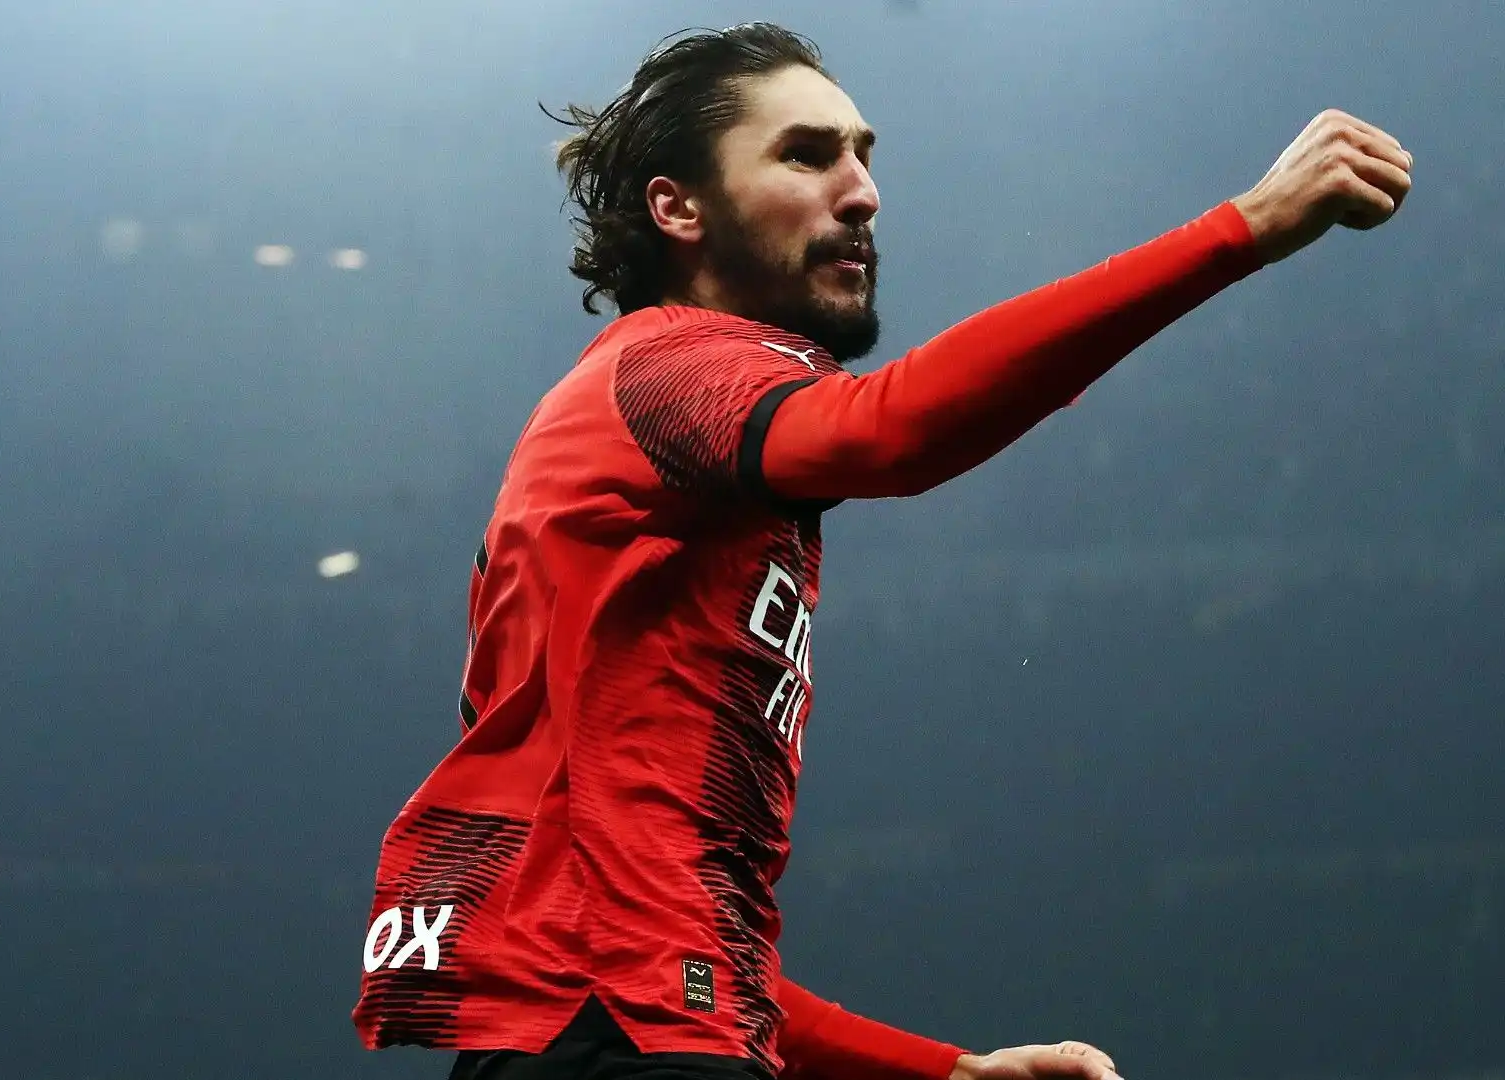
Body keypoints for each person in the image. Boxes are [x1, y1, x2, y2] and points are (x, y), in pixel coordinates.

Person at [351, 21, 1412, 1080]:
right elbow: (891, 430)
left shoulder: (647, 446)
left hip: (608, 1033)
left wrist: (951, 1073)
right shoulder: (668, 370)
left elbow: (681, 944)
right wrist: (1244, 228)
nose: (861, 193)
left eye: (863, 156)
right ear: (679, 208)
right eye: (805, 155)